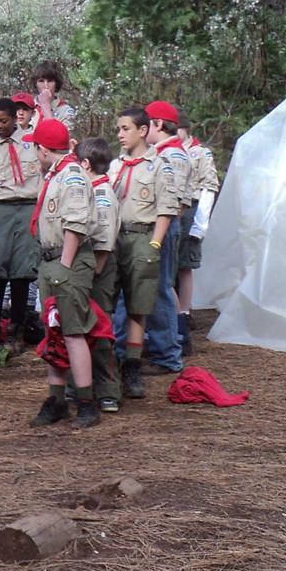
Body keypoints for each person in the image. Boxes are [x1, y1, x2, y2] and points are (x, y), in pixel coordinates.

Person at [23, 119, 99, 429]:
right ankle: (56, 400)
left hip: (68, 261)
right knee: (53, 330)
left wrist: (65, 266)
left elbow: (75, 224)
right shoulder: (54, 175)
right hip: (51, 261)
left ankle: (86, 403)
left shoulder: (72, 177)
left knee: (72, 332)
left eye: (34, 148)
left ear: (43, 149)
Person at [108, 107, 178, 399]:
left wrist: (155, 244)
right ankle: (108, 362)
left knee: (138, 306)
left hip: (142, 237)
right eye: (119, 129)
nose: (120, 134)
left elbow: (166, 208)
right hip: (115, 240)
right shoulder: (115, 166)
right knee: (109, 302)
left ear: (143, 130)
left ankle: (132, 367)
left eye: (125, 129)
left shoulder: (159, 165)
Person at [0, 97, 43, 352]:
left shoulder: (33, 142)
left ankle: (16, 329)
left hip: (28, 208)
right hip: (0, 209)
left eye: (4, 121)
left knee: (22, 271)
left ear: (15, 119)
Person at [143, 100, 190, 374]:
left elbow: (174, 202)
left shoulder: (174, 156)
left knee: (161, 288)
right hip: (155, 226)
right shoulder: (160, 153)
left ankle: (168, 355)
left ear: (158, 124)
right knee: (153, 288)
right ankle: (157, 345)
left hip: (164, 226)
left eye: (146, 124)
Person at [76, 136, 121, 413]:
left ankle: (107, 391)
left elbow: (103, 243)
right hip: (87, 267)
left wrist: (93, 274)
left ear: (85, 164)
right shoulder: (91, 190)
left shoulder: (102, 195)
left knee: (100, 327)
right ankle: (82, 386)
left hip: (97, 270)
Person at [176, 117, 220, 356]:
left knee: (184, 266)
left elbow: (208, 188)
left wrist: (200, 226)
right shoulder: (162, 150)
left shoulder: (200, 153)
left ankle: (183, 314)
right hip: (170, 212)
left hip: (191, 212)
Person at [28, 60, 77, 134]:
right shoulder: (27, 107)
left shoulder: (66, 111)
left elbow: (61, 137)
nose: (46, 86)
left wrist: (46, 107)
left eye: (50, 81)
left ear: (56, 84)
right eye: (41, 81)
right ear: (36, 84)